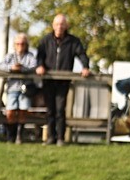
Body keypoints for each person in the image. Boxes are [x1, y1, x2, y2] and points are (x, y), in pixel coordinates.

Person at [35, 14, 90, 145]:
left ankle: (60, 137)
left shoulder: (73, 41)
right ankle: (50, 137)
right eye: (57, 24)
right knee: (50, 110)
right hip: (48, 80)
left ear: (66, 26)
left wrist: (85, 67)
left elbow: (82, 54)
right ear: (53, 26)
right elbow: (39, 56)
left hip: (63, 82)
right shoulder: (46, 40)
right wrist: (39, 66)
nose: (59, 27)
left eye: (62, 24)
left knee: (60, 109)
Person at [0, 33, 37, 143]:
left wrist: (21, 69)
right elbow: (0, 66)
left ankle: (19, 136)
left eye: (23, 44)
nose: (20, 46)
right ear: (14, 45)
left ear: (26, 45)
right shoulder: (10, 56)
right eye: (18, 44)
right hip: (12, 88)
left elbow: (34, 66)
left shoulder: (30, 56)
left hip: (25, 89)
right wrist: (11, 68)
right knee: (10, 111)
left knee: (23, 111)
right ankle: (10, 136)